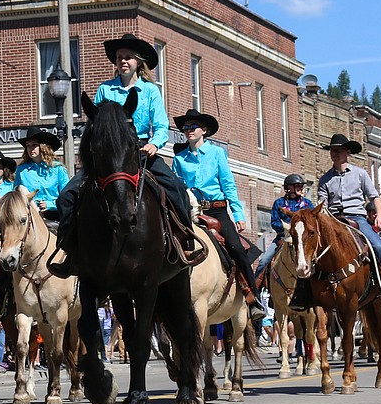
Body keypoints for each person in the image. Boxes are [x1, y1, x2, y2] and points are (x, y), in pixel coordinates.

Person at [50, 34, 193, 277]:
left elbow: (160, 126)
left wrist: (155, 145)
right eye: (119, 58)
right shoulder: (105, 89)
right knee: (66, 195)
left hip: (142, 153)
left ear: (139, 62)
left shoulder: (150, 91)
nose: (123, 61)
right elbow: (94, 125)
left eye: (128, 58)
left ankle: (184, 243)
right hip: (108, 159)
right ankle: (70, 250)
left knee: (176, 188)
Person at [171, 109, 265, 319]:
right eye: (185, 128)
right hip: (191, 211)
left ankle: (253, 298)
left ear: (204, 130)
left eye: (192, 127)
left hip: (217, 209)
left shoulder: (217, 154)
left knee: (236, 247)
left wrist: (238, 214)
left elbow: (229, 185)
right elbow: (177, 188)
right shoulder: (179, 159)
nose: (188, 131)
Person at [316, 133, 381, 306]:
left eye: (338, 150)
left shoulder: (360, 174)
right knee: (311, 249)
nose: (334, 154)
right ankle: (307, 292)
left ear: (347, 152)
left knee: (378, 246)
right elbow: (322, 204)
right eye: (332, 151)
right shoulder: (325, 180)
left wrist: (380, 216)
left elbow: (374, 197)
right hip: (333, 221)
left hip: (357, 219)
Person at [254, 174, 314, 282]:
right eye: (298, 186)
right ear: (289, 188)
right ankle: (254, 288)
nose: (301, 188)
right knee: (264, 260)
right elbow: (274, 222)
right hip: (282, 238)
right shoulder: (278, 203)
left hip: (303, 240)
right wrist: (287, 229)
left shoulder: (307, 204)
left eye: (302, 186)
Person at [15, 126, 68, 219]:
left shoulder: (58, 169)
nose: (30, 148)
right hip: (29, 216)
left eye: (34, 145)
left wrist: (50, 204)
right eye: (28, 146)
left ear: (43, 147)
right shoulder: (21, 170)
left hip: (55, 216)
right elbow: (16, 195)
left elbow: (67, 196)